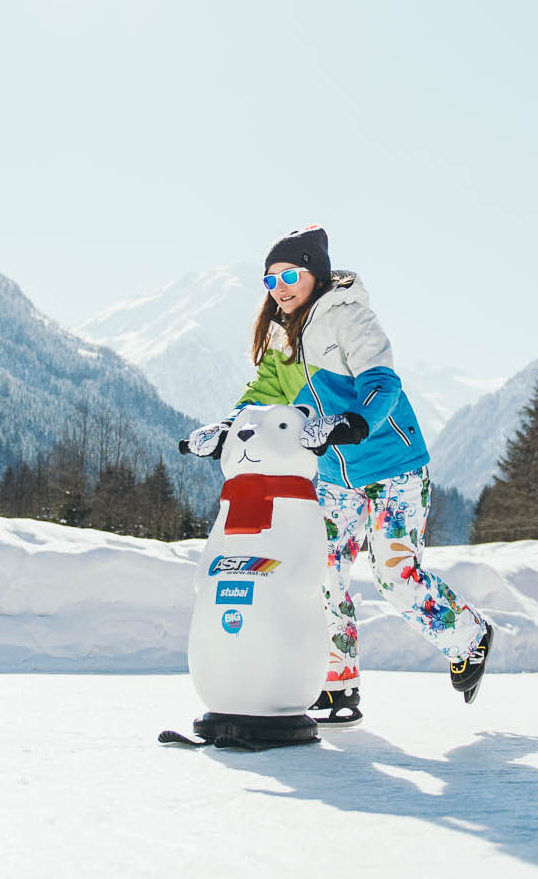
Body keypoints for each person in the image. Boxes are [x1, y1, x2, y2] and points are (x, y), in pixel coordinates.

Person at [181, 226, 494, 725]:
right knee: (321, 574)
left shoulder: (347, 316)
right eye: (270, 280)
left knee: (395, 576)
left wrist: (357, 420)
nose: (280, 288)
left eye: (289, 276)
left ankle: (468, 637)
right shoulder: (282, 337)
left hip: (393, 468)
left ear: (316, 274)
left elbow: (382, 381)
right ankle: (336, 684)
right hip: (332, 478)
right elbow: (262, 395)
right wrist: (229, 427)